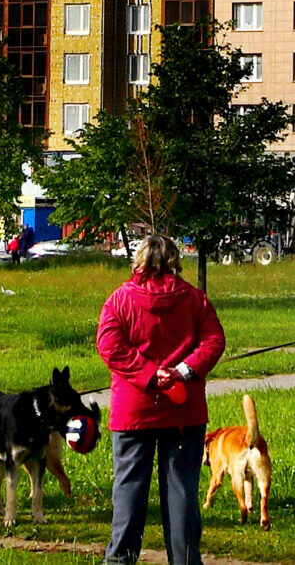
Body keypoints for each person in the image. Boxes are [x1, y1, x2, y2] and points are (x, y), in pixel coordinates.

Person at [96, 234, 225, 565]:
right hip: (184, 411)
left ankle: (120, 561)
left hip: (134, 408)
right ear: (174, 260)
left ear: (138, 260)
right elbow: (213, 341)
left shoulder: (120, 300)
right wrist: (182, 370)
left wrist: (149, 374)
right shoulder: (195, 299)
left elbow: (110, 345)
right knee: (182, 493)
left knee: (129, 492)